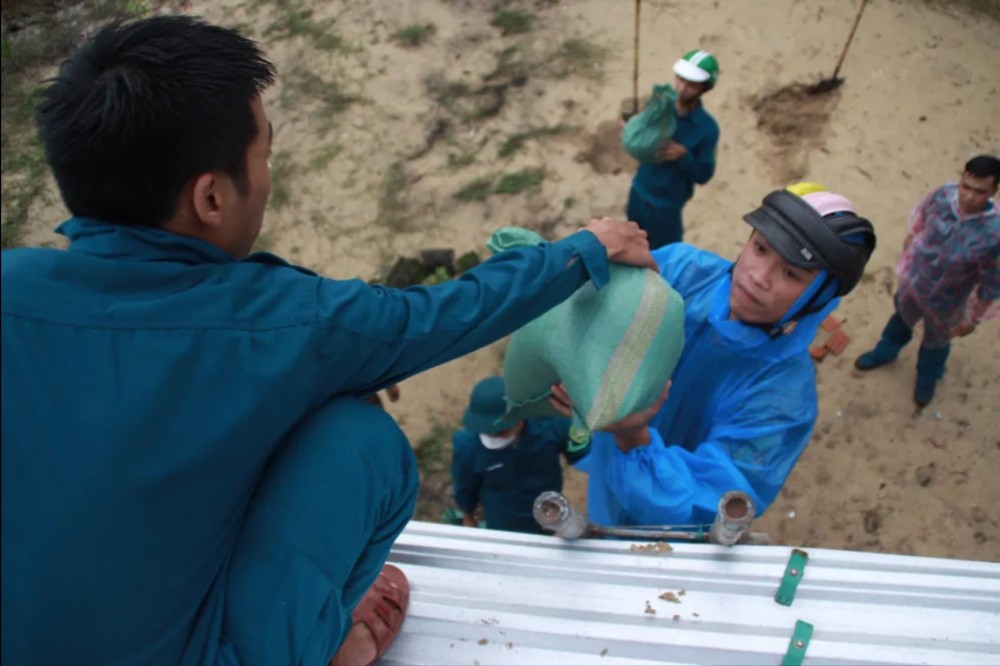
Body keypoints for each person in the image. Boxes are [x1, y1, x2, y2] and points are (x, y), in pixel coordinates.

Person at [0, 16, 656, 666]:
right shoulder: (283, 322)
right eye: (264, 156)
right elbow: (452, 309)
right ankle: (324, 644)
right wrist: (590, 248)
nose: (267, 174)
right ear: (210, 197)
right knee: (361, 439)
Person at [551, 184, 877, 528]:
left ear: (818, 299)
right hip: (608, 453)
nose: (758, 276)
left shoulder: (783, 403)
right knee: (602, 504)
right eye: (761, 248)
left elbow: (710, 506)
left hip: (663, 528)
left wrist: (631, 437)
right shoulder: (680, 271)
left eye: (792, 273)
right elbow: (598, 317)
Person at [854, 155, 1000, 407]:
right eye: (966, 186)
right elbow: (921, 215)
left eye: (980, 192)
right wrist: (911, 238)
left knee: (937, 342)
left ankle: (928, 377)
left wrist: (973, 319)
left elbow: (991, 284)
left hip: (948, 302)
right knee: (900, 319)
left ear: (994, 191)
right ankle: (885, 352)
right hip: (914, 282)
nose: (968, 196)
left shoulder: (994, 234)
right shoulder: (944, 195)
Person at [451, 377, 582, 534]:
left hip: (548, 515)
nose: (493, 435)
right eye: (487, 430)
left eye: (500, 431)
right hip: (502, 523)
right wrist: (468, 515)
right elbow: (465, 486)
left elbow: (584, 456)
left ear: (519, 417)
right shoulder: (467, 446)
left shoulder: (551, 425)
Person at [626, 49, 721, 249]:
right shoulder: (659, 108)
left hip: (667, 208)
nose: (682, 88)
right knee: (630, 249)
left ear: (704, 88)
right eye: (681, 79)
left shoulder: (706, 128)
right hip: (639, 193)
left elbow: (704, 174)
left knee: (665, 259)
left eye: (692, 84)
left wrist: (684, 156)